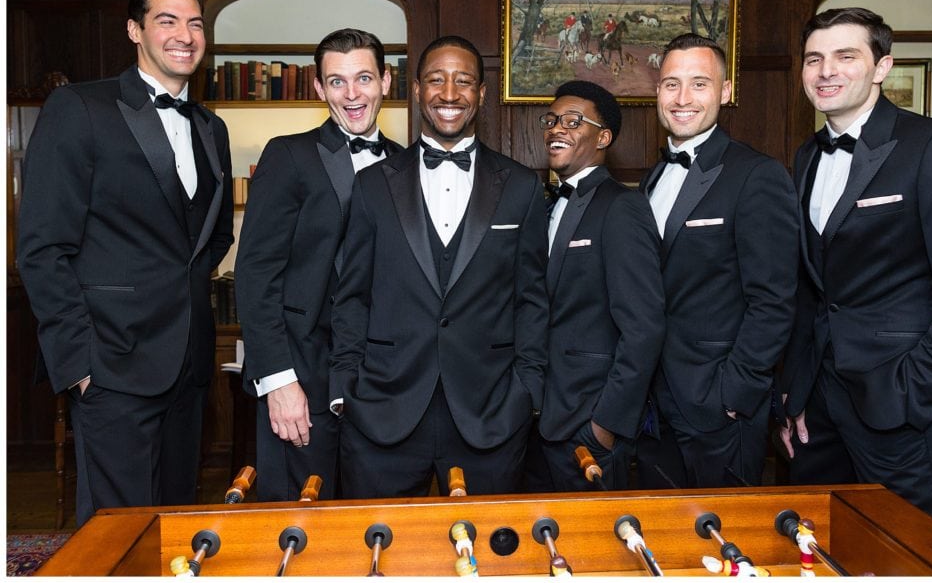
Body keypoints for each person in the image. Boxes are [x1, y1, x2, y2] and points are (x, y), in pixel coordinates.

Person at [777, 7, 932, 532]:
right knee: (821, 550)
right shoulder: (804, 158)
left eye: (846, 56)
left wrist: (911, 392)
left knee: (916, 554)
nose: (825, 71)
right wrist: (796, 394)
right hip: (820, 410)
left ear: (882, 67)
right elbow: (813, 293)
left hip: (899, 407)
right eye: (814, 59)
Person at [17, 0, 234, 524]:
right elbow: (42, 247)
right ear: (135, 30)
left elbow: (211, 240)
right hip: (110, 365)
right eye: (167, 21)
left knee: (176, 525)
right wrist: (79, 364)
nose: (184, 36)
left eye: (195, 24)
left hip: (188, 367)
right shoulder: (80, 108)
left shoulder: (212, 127)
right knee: (119, 532)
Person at [328, 35, 549, 498]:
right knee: (375, 558)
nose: (449, 93)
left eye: (464, 81)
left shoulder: (523, 187)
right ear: (415, 89)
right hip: (381, 412)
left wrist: (526, 392)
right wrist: (345, 389)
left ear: (482, 94)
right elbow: (352, 296)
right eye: (436, 80)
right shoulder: (371, 185)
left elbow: (531, 300)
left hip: (490, 415)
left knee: (491, 561)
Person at [234, 28, 403, 501]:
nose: (352, 94)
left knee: (375, 526)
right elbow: (255, 275)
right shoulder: (288, 156)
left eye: (364, 78)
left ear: (386, 82)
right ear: (319, 88)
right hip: (302, 381)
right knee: (299, 525)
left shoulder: (409, 166)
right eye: (337, 82)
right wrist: (278, 381)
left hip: (382, 386)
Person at [636, 33, 799, 489]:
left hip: (717, 405)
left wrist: (736, 393)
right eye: (671, 84)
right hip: (651, 404)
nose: (682, 98)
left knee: (724, 543)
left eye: (699, 84)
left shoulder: (757, 175)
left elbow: (774, 300)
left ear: (726, 92)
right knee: (660, 543)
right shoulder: (652, 178)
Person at [538, 80, 665, 491]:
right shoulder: (543, 204)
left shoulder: (622, 207)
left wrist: (606, 424)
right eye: (553, 119)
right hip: (540, 418)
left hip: (589, 423)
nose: (558, 128)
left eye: (573, 121)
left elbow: (644, 327)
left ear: (603, 137)